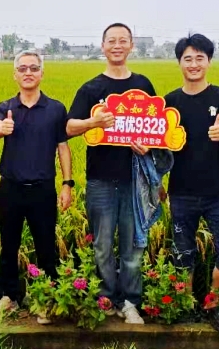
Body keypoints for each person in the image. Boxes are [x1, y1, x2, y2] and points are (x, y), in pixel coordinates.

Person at [66, 22, 156, 324]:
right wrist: (94, 122)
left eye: (123, 40)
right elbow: (70, 127)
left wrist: (148, 145)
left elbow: (157, 129)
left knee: (133, 245)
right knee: (102, 245)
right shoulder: (91, 88)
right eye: (112, 41)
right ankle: (105, 298)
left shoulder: (143, 85)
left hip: (135, 180)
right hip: (100, 180)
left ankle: (130, 302)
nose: (117, 46)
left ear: (131, 46)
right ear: (103, 46)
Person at [0, 51, 73, 324]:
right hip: (10, 188)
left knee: (46, 245)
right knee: (8, 245)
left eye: (34, 68)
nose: (28, 73)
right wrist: (2, 127)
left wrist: (67, 184)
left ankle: (46, 299)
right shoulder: (5, 107)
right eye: (22, 68)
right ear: (15, 74)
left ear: (41, 74)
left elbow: (63, 147)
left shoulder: (56, 109)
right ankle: (8, 296)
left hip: (43, 189)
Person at [163, 34, 219, 332]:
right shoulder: (170, 102)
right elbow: (159, 147)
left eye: (200, 58)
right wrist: (156, 181)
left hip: (218, 192)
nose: (194, 64)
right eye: (188, 58)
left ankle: (212, 304)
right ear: (179, 62)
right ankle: (184, 305)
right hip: (181, 191)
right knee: (183, 254)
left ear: (208, 61)